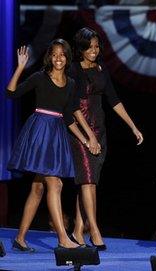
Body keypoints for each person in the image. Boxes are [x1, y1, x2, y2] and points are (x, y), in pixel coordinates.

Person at [6, 39, 100, 250]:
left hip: (57, 133)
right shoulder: (40, 77)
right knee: (55, 184)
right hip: (40, 132)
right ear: (50, 57)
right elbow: (11, 93)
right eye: (55, 54)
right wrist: (20, 67)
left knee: (39, 187)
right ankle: (63, 238)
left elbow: (68, 117)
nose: (58, 58)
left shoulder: (72, 83)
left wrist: (86, 139)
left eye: (63, 54)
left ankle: (20, 238)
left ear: (67, 58)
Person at [67, 27, 143, 250]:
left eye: (96, 46)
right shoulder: (74, 70)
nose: (93, 50)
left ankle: (77, 231)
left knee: (87, 182)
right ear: (80, 48)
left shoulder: (102, 69)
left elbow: (114, 100)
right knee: (88, 181)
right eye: (89, 47)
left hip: (100, 130)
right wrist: (89, 137)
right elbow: (74, 108)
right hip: (81, 131)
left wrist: (133, 127)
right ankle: (95, 230)